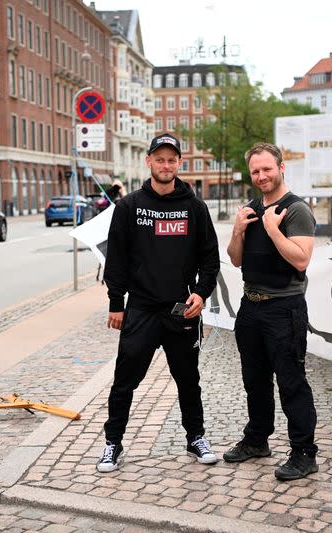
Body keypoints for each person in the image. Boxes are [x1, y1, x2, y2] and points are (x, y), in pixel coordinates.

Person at [98, 132, 221, 473]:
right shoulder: (130, 206)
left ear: (179, 163)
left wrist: (201, 292)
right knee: (125, 379)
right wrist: (115, 302)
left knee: (188, 378)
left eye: (172, 160)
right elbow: (117, 260)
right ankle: (112, 443)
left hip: (180, 307)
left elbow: (210, 259)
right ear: (148, 161)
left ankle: (196, 437)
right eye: (159, 159)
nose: (166, 165)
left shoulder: (194, 207)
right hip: (140, 307)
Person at [224, 142, 319, 481]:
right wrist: (238, 229)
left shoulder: (296, 210)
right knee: (255, 380)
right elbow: (235, 259)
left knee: (292, 382)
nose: (261, 175)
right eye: (255, 171)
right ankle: (257, 440)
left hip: (284, 308)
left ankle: (304, 453)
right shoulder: (250, 209)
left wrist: (273, 228)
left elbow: (301, 259)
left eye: (267, 168)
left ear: (281, 168)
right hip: (251, 307)